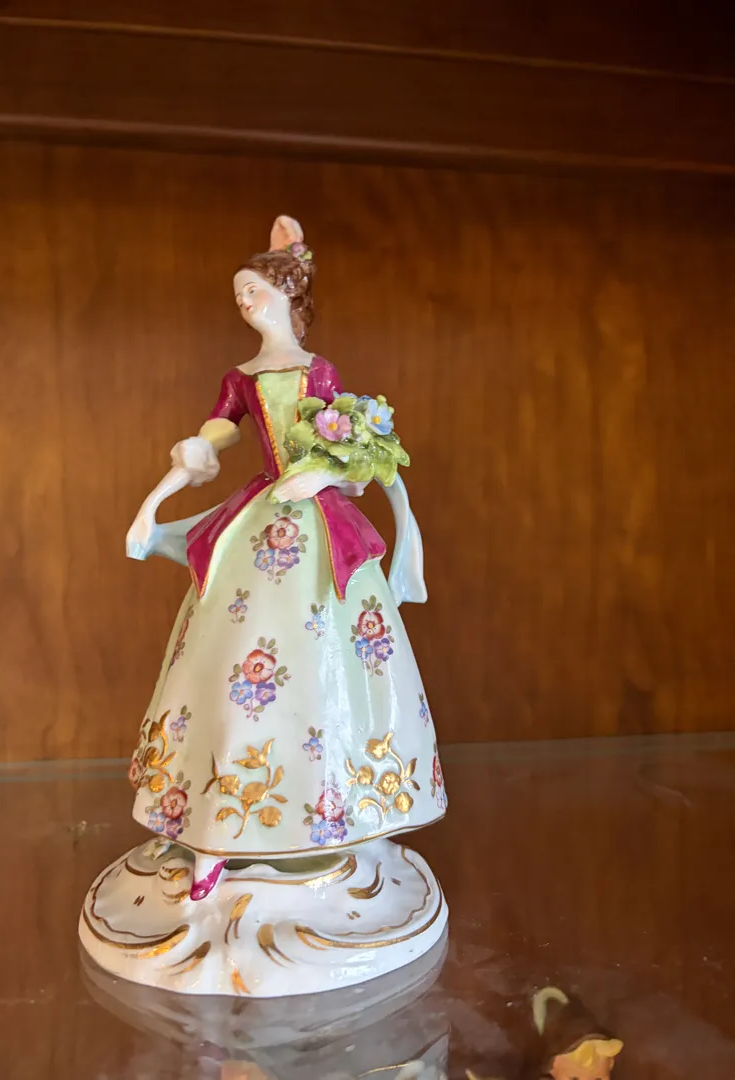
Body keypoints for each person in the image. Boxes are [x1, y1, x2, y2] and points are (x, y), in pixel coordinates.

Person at [125, 216, 445, 900]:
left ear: (285, 293)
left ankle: (341, 809)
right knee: (235, 655)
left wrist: (322, 472)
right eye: (238, 294)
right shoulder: (240, 378)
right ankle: (215, 825)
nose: (245, 303)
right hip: (261, 521)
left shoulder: (317, 371)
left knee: (326, 656)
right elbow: (211, 440)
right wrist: (161, 492)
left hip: (314, 521)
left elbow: (345, 450)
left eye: (254, 290)